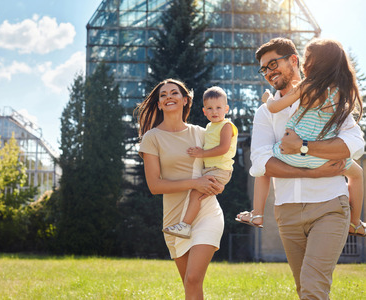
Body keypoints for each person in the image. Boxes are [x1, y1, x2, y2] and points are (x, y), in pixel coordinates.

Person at [244, 38, 365, 299]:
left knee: (313, 287)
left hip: (330, 205)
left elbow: (353, 145)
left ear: (294, 60)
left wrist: (303, 146)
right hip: (287, 211)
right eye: (264, 69)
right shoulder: (265, 113)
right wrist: (312, 171)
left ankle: (355, 221)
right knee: (306, 289)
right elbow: (262, 163)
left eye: (273, 64)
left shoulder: (328, 97)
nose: (269, 72)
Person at [136, 78, 225, 299]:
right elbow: (155, 185)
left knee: (194, 278)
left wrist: (218, 184)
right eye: (163, 95)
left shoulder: (201, 134)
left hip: (206, 211)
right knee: (190, 285)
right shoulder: (152, 138)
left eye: (174, 93)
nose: (168, 97)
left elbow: (220, 163)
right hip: (175, 220)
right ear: (158, 104)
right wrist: (195, 183)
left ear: (185, 100)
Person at [163, 86, 238, 238]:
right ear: (204, 111)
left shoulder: (226, 126)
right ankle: (190, 225)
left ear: (227, 109)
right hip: (211, 169)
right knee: (196, 194)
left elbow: (223, 148)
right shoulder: (210, 127)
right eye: (210, 108)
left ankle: (185, 226)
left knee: (196, 193)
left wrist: (202, 153)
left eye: (218, 107)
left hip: (220, 169)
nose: (214, 112)